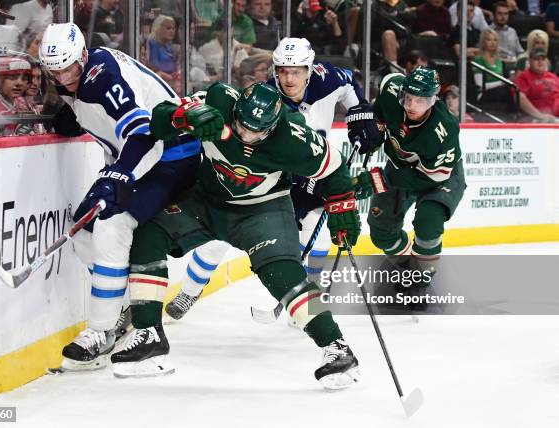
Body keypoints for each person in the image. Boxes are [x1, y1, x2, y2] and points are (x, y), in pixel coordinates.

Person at [110, 81, 361, 390]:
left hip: (262, 210)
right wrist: (184, 117)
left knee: (283, 275)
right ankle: (149, 335)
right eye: (242, 125)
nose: (245, 135)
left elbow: (335, 172)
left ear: (273, 126)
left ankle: (336, 345)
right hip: (206, 200)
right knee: (148, 235)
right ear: (237, 110)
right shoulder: (217, 100)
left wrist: (343, 208)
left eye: (256, 132)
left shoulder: (295, 138)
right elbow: (158, 118)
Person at [165, 37, 381, 321]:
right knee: (217, 239)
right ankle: (190, 291)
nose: (289, 78)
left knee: (316, 230)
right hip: (272, 179)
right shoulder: (265, 101)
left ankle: (308, 297)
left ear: (309, 69)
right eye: (282, 71)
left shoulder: (328, 79)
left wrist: (359, 111)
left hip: (315, 168)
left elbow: (349, 83)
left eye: (296, 71)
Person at [37, 23, 203, 371]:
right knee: (84, 234)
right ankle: (126, 307)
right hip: (140, 155)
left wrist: (118, 174)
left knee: (111, 226)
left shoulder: (103, 77)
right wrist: (73, 115)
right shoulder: (77, 77)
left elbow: (143, 134)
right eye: (54, 71)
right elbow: (99, 115)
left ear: (82, 57)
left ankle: (101, 330)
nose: (63, 78)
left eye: (68, 69)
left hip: (171, 153)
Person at [368, 67, 466, 289]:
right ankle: (407, 268)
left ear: (433, 100)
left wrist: (377, 180)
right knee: (381, 231)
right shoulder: (392, 90)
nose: (411, 105)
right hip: (399, 166)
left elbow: (435, 175)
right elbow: (378, 111)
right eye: (408, 98)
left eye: (420, 101)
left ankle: (420, 281)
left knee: (428, 222)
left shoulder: (444, 129)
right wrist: (368, 126)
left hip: (442, 176)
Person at [513, 48, 559, 120]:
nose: (540, 62)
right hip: (540, 118)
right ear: (530, 61)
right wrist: (540, 115)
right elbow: (519, 97)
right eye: (537, 59)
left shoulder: (553, 76)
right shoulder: (524, 77)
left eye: (543, 59)